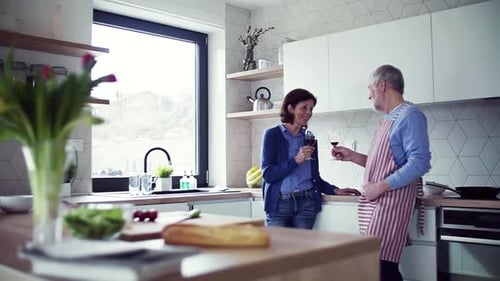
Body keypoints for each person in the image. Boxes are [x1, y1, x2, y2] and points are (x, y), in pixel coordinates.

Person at [332, 65, 431, 281]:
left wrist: (379, 187)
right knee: (378, 267)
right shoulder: (388, 119)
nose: (369, 95)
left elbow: (420, 163)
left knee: (381, 268)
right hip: (378, 204)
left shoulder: (410, 115)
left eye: (370, 89)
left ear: (382, 85)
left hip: (391, 204)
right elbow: (384, 165)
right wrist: (353, 156)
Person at [261, 88, 360, 229]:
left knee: (304, 250)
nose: (308, 113)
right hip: (279, 206)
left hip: (306, 204)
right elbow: (268, 174)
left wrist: (334, 190)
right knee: (279, 250)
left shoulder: (310, 139)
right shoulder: (272, 135)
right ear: (290, 108)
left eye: (311, 109)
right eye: (304, 108)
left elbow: (314, 177)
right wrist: (295, 160)